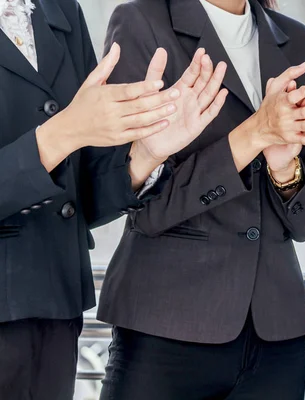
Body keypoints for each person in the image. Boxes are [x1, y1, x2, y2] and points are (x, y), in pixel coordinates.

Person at [96, 0, 305, 399]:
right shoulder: (142, 23)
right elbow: (143, 209)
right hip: (164, 329)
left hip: (275, 338)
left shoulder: (299, 43)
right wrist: (251, 137)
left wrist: (284, 169)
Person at [0, 0, 228, 398]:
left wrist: (148, 153)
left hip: (54, 306)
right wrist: (63, 132)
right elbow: (67, 136)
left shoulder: (60, 11)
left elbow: (80, 192)